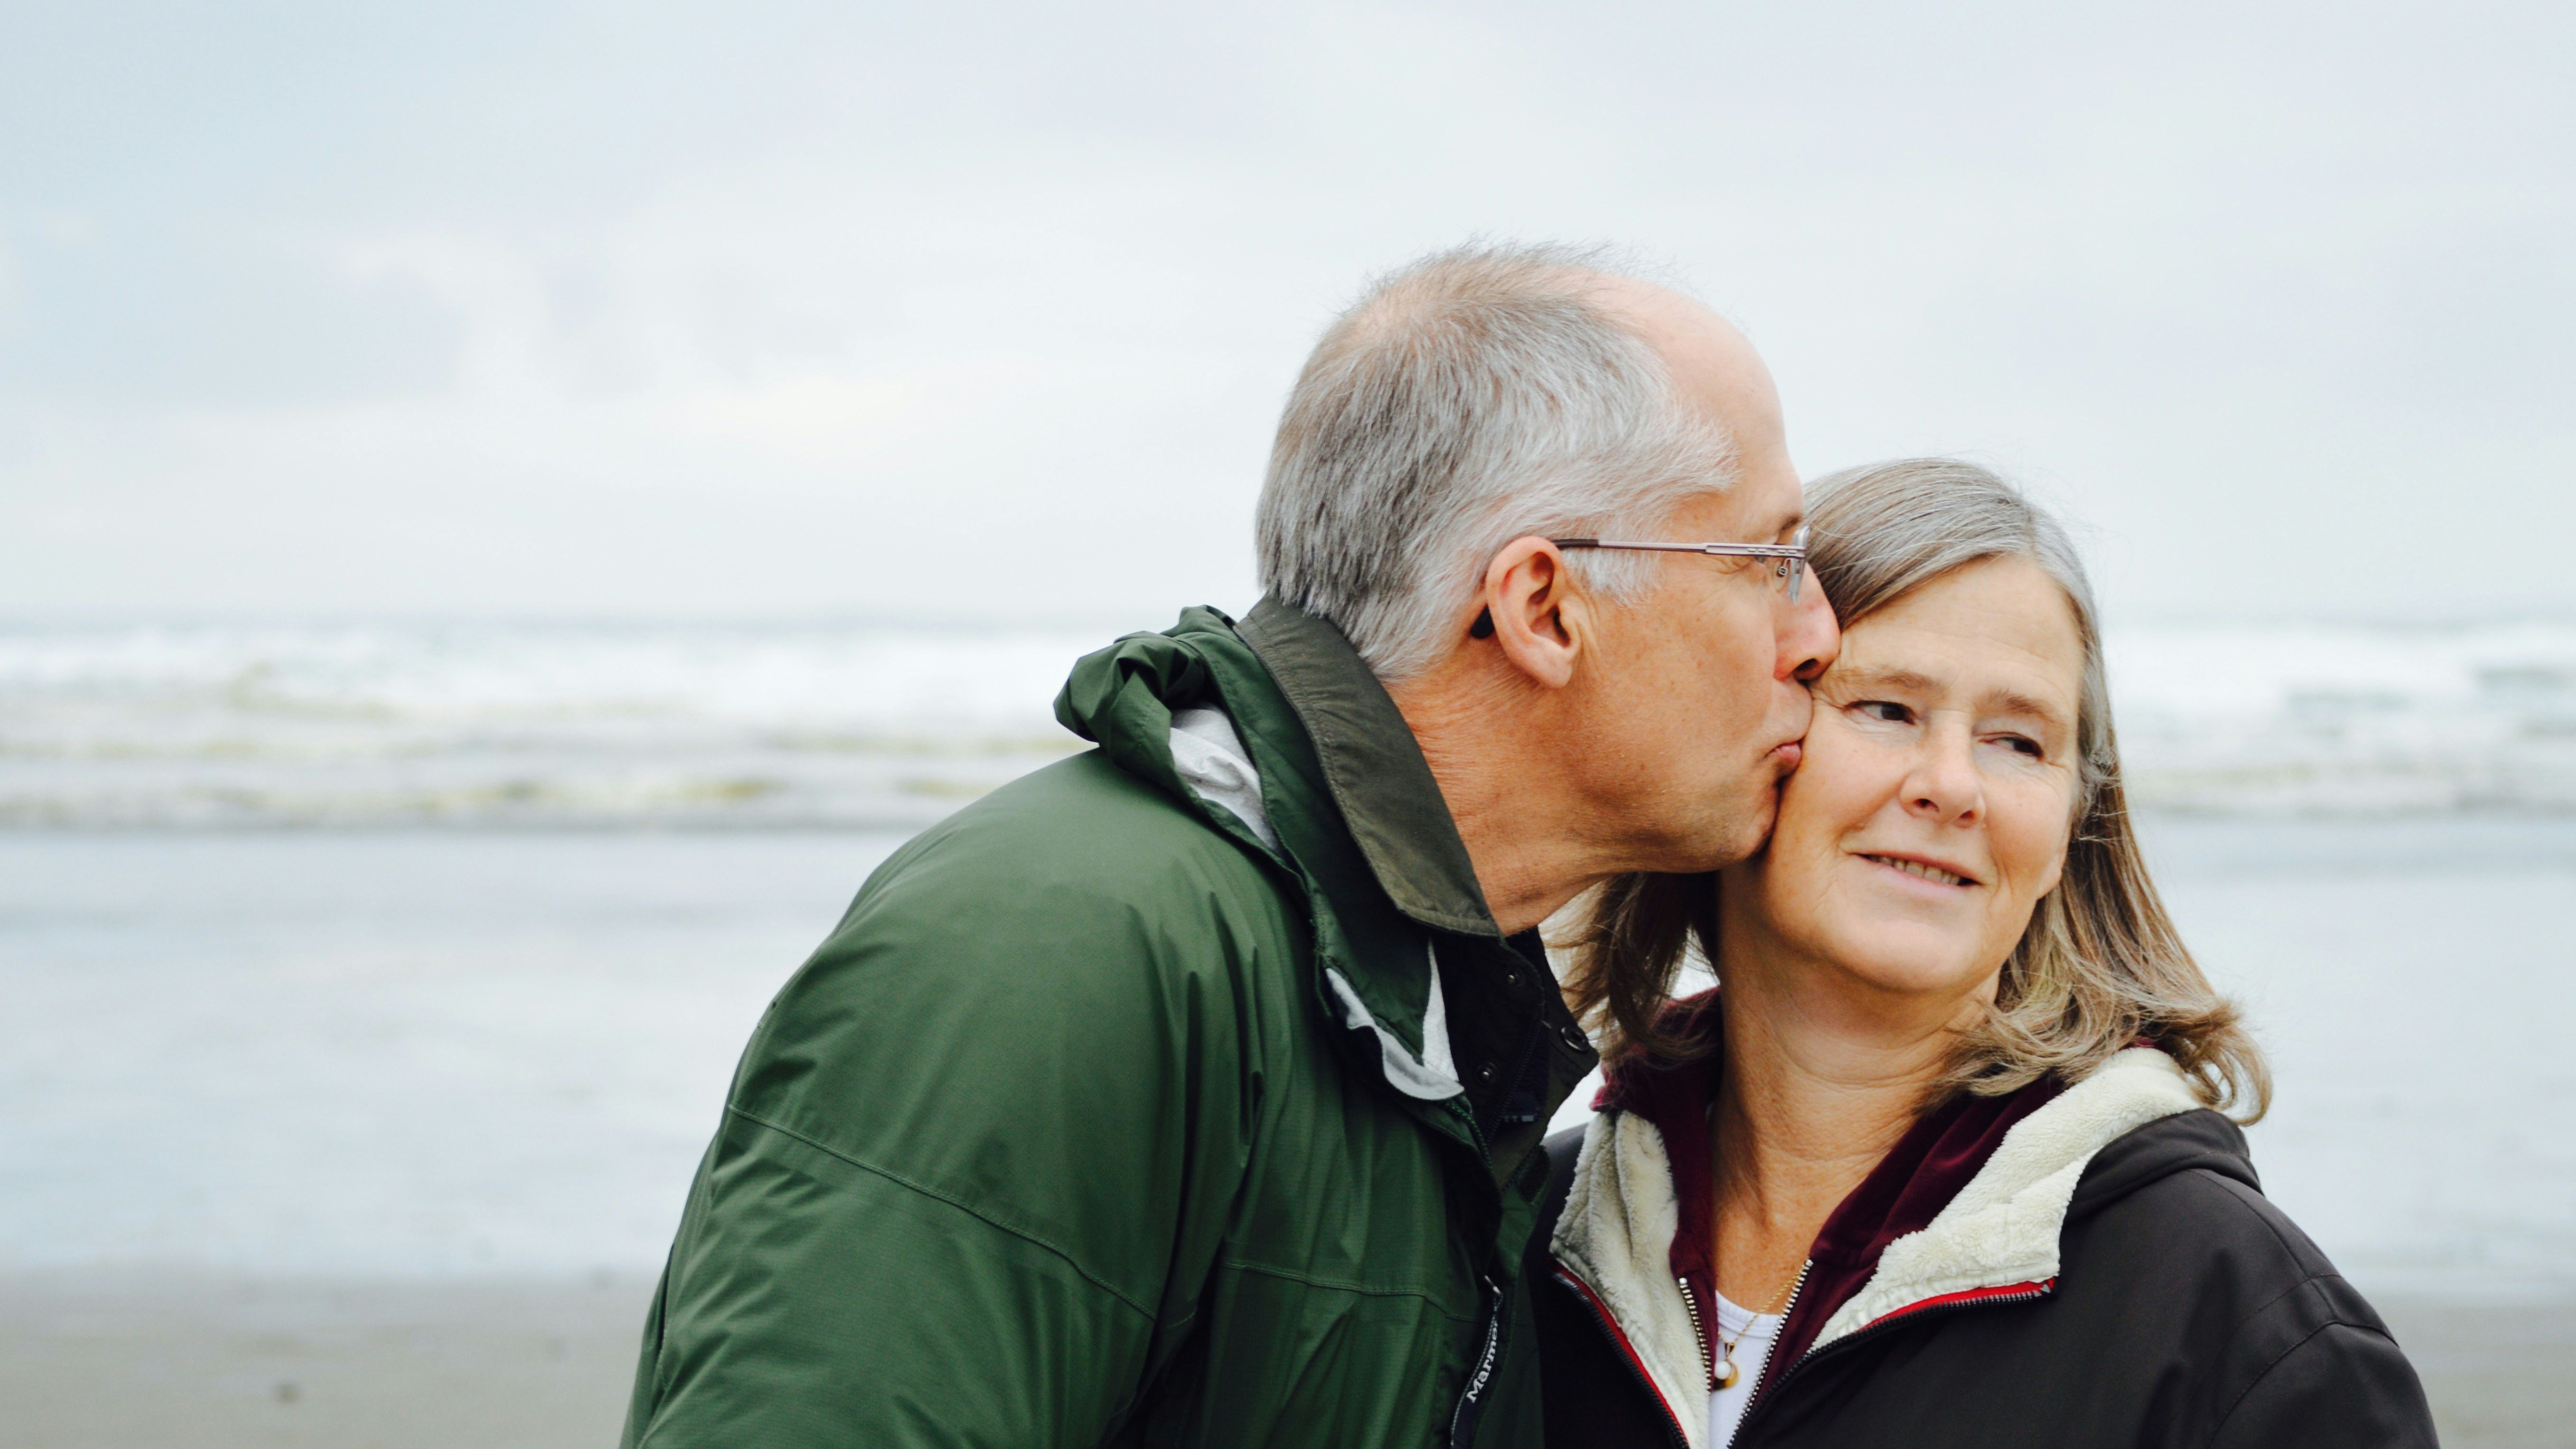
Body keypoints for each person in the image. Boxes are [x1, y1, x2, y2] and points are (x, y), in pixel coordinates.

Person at [618, 242, 1839, 1448]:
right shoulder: (1068, 947)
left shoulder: (1417, 1003)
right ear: (1542, 607)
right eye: (1771, 561)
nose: (1818, 635)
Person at [1530, 457, 2438, 1448]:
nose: (1954, 785)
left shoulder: (2242, 1327)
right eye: (1886, 709)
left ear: (2067, 832)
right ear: (1745, 739)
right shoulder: (1533, 1239)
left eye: (2018, 740)